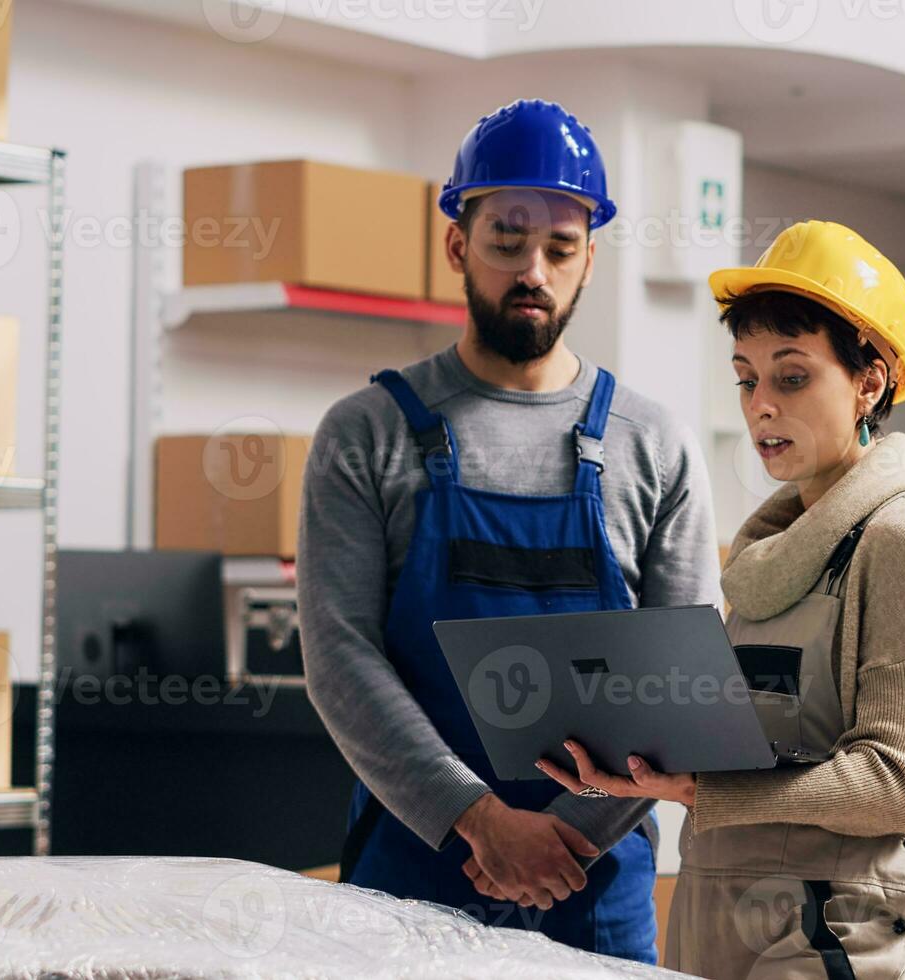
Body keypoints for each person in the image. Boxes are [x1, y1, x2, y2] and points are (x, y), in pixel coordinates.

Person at [296, 99, 720, 963]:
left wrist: (560, 842)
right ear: (458, 244)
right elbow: (339, 660)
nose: (533, 268)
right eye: (507, 239)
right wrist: (477, 821)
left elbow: (678, 678)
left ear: (589, 261)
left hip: (591, 877)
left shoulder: (655, 444)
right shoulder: (366, 432)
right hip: (414, 864)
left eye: (561, 248)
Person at [537, 220, 905, 979]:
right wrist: (635, 753)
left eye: (792, 376)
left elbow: (900, 786)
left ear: (869, 382)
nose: (760, 406)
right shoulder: (768, 559)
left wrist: (701, 788)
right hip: (717, 909)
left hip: (834, 928)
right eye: (746, 378)